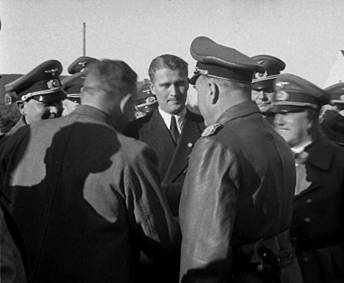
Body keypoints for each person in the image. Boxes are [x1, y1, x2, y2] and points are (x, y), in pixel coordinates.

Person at [0, 59, 180, 283]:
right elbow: (163, 244)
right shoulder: (130, 153)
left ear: (85, 93)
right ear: (125, 104)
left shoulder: (20, 139)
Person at [179, 36, 297, 283]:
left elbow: (204, 258)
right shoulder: (275, 138)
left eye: (198, 90)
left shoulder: (216, 145)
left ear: (211, 90)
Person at [273, 74, 344, 283]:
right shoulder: (272, 160)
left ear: (311, 118)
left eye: (288, 113)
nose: (279, 120)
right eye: (277, 113)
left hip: (327, 272)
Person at [124, 54, 205, 216]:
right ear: (152, 88)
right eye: (165, 85)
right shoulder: (134, 131)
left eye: (180, 83)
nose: (174, 92)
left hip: (196, 222)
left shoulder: (206, 127)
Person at [4, 60, 66, 135]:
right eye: (47, 103)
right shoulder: (10, 144)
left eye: (58, 102)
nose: (55, 110)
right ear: (22, 107)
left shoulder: (63, 139)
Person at [251, 55, 285, 121]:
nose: (262, 97)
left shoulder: (282, 124)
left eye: (268, 90)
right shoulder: (240, 124)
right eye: (256, 91)